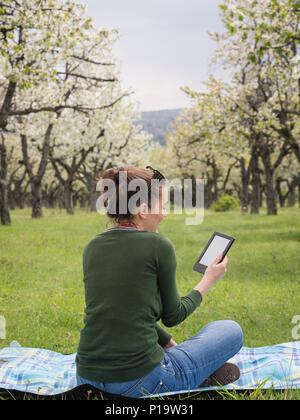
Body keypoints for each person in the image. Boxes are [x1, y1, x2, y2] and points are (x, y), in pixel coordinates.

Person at [75, 166, 243, 398]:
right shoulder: (158, 245)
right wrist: (208, 278)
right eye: (163, 206)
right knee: (231, 330)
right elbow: (173, 315)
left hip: (86, 378)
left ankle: (192, 370)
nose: (165, 214)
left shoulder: (92, 246)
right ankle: (191, 377)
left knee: (179, 352)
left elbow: (120, 311)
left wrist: (170, 345)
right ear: (142, 209)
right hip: (140, 383)